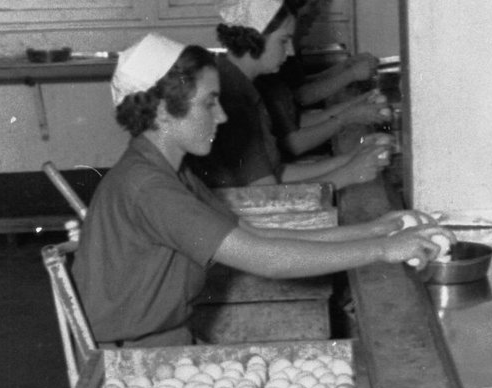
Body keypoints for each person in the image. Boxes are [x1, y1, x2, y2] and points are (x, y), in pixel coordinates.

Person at [71, 34, 436, 348]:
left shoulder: (169, 170)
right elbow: (267, 259)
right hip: (128, 356)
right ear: (165, 111)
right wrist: (383, 250)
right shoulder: (151, 188)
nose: (222, 116)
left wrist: (378, 229)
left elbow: (255, 234)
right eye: (209, 103)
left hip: (166, 338)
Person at [196, 0, 390, 191]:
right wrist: (347, 175)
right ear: (256, 38)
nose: (290, 51)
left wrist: (349, 160)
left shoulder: (238, 82)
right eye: (283, 41)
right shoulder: (233, 99)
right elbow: (266, 194)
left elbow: (274, 172)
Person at [253, 0, 389, 161]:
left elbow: (292, 116)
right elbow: (302, 99)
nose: (316, 12)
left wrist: (353, 103)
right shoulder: (260, 73)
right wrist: (350, 79)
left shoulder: (272, 61)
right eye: (312, 5)